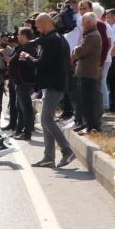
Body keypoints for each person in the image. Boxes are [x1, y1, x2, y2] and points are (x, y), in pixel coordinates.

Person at [33, 14, 74, 168]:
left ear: (45, 23)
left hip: (54, 85)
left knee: (46, 119)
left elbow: (43, 64)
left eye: (38, 26)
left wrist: (29, 59)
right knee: (46, 121)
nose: (37, 29)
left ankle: (67, 150)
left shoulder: (52, 40)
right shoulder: (58, 38)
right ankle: (49, 157)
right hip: (55, 84)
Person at [71, 12, 104, 134]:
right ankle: (87, 124)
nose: (82, 25)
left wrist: (75, 49)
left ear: (89, 22)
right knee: (84, 100)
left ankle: (92, 126)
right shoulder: (90, 35)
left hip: (88, 73)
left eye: (83, 23)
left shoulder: (93, 36)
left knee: (88, 101)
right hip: (85, 72)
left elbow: (80, 51)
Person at [9, 28, 39, 139]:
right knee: (20, 108)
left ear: (24, 36)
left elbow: (18, 62)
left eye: (19, 35)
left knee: (26, 108)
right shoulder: (25, 47)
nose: (17, 37)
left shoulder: (27, 49)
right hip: (21, 82)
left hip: (24, 82)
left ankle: (27, 133)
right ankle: (18, 131)